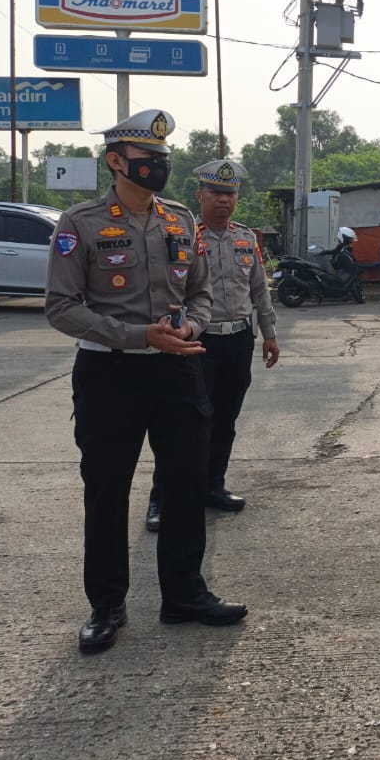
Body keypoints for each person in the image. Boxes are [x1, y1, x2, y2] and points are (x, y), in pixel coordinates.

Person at [45, 109, 247, 654]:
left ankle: (184, 594)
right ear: (116, 161)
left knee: (185, 485)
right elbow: (61, 307)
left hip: (178, 368)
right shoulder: (81, 224)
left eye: (163, 158)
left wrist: (192, 326)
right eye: (147, 158)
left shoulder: (180, 220)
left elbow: (201, 292)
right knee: (107, 490)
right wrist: (139, 336)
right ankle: (106, 605)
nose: (158, 166)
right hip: (110, 373)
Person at [145, 160, 280, 532]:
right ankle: (162, 497)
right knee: (183, 423)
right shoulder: (183, 236)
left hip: (238, 340)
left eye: (230, 193)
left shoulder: (246, 238)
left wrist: (269, 333)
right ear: (200, 195)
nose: (224, 200)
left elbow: (259, 290)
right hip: (197, 341)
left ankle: (211, 487)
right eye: (216, 192)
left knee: (225, 419)